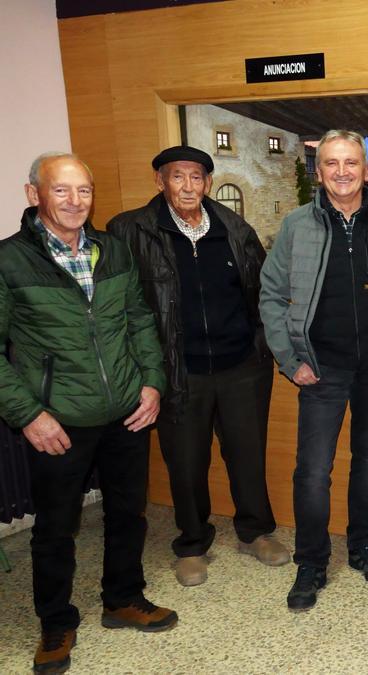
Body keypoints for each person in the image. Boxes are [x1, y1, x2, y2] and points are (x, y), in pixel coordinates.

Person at [2, 152, 176, 673]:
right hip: (57, 420)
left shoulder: (112, 249)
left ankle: (123, 598)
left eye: (84, 190)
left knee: (128, 513)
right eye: (61, 190)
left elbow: (139, 320)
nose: (75, 201)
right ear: (34, 194)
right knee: (56, 529)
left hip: (126, 411)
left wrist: (152, 383)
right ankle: (56, 623)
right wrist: (29, 414)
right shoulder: (10, 261)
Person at [108, 145, 286, 587]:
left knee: (247, 455)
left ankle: (256, 532)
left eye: (196, 177)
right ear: (160, 181)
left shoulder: (234, 228)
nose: (187, 186)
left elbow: (261, 292)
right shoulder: (130, 231)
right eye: (177, 176)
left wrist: (262, 347)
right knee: (185, 463)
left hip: (242, 366)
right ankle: (191, 543)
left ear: (207, 183)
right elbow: (120, 307)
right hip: (177, 370)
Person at [259, 129, 368, 611]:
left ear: (366, 170)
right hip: (321, 369)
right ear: (319, 171)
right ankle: (311, 561)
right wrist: (290, 361)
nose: (342, 172)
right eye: (331, 163)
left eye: (351, 162)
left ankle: (363, 545)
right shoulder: (296, 226)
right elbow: (271, 295)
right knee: (312, 471)